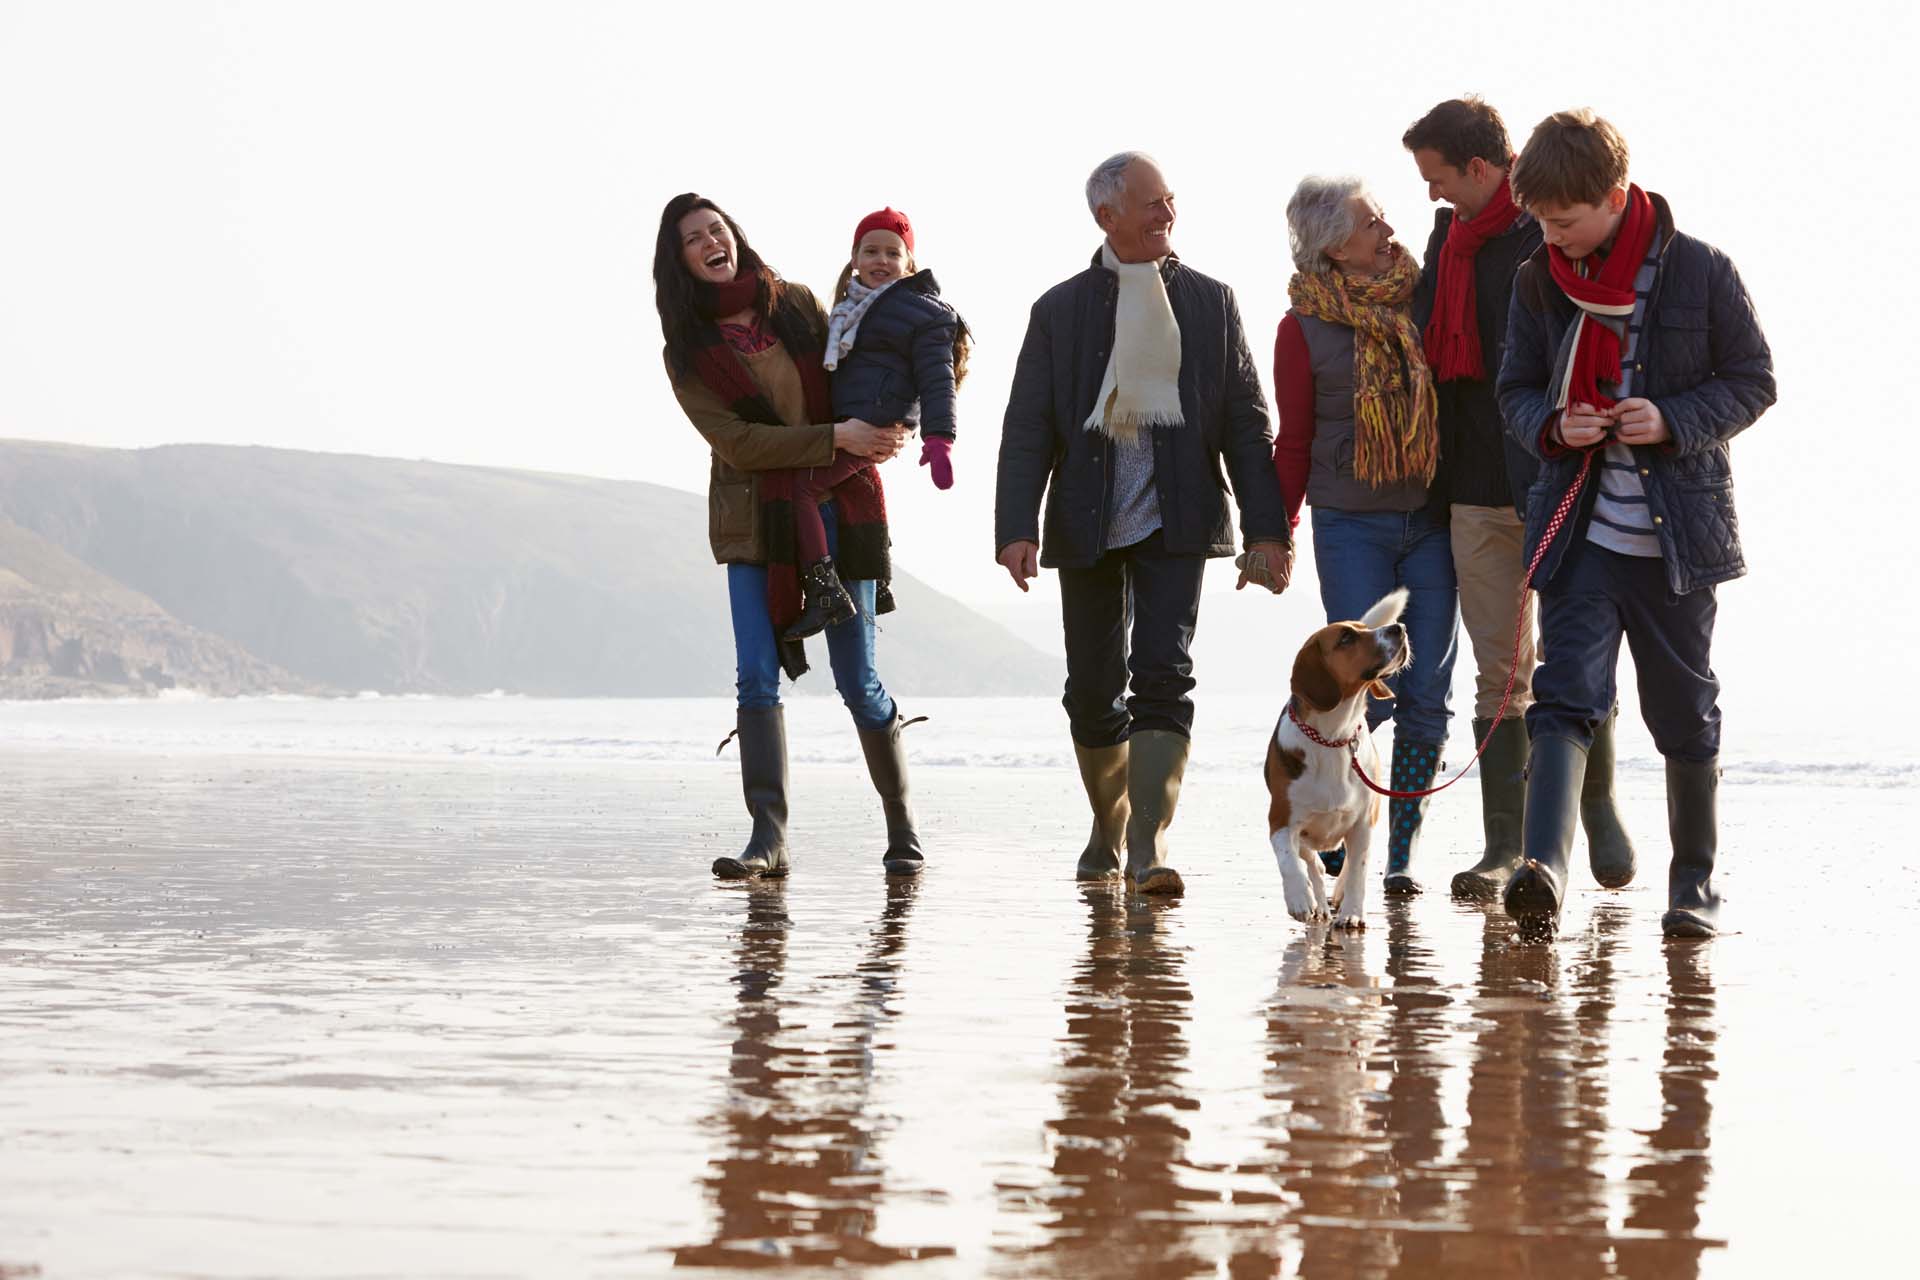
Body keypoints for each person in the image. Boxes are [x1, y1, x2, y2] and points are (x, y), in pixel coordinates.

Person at [1496, 110, 1775, 937]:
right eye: (1541, 222)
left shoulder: (1702, 271)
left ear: (1615, 196)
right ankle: (1543, 868)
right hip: (1578, 534)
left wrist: (1674, 418)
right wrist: (1555, 421)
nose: (1553, 237)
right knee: (1563, 699)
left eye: (1567, 220)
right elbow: (1514, 390)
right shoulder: (1536, 280)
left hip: (1678, 545)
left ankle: (1694, 888)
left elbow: (1755, 380)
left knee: (1684, 711)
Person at [995, 151, 1291, 896]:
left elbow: (1248, 427)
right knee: (1092, 689)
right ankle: (1110, 823)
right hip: (1086, 521)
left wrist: (1268, 531)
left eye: (1170, 202)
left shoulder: (1210, 301)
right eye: (1152, 204)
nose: (1167, 215)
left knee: (1164, 674)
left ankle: (1150, 845)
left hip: (1178, 515)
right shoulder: (1058, 310)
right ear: (1108, 216)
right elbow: (1027, 426)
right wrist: (1015, 526)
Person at [1401, 96, 1636, 902]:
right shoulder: (1446, 241)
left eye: (1437, 176)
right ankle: (1505, 845)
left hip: (1555, 477)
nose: (1429, 193)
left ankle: (1596, 810)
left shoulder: (1550, 231)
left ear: (1478, 167)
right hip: (1470, 486)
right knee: (1501, 669)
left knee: (1573, 659)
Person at [655, 192, 927, 881]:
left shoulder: (798, 304)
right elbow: (741, 443)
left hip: (844, 506)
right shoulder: (687, 351)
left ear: (735, 236)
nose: (711, 241)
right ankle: (767, 837)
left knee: (858, 679)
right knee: (755, 677)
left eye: (717, 229)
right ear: (680, 259)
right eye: (694, 238)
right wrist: (836, 435)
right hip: (755, 526)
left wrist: (904, 410)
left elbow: (873, 360)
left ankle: (902, 828)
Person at [1272, 176, 1458, 895]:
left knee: (1427, 693)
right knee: (1357, 688)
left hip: (1431, 520)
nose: (1388, 231)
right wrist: (1278, 530)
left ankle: (1397, 851)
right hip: (1349, 524)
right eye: (1370, 223)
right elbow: (1294, 440)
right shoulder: (1302, 327)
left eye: (1383, 219)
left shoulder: (1424, 299)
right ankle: (1334, 830)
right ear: (1333, 247)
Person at [782, 207, 970, 640]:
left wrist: (939, 439)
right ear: (854, 257)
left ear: (909, 263)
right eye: (871, 251)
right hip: (854, 422)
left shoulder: (921, 311)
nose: (880, 261)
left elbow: (937, 377)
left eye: (892, 252)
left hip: (875, 424)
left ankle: (825, 593)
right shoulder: (850, 309)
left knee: (803, 488)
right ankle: (877, 581)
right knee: (841, 490)